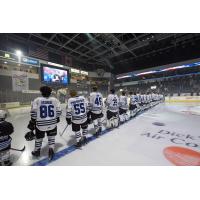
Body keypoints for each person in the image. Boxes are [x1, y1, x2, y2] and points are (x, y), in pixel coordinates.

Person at [27, 86, 62, 160]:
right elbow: (59, 112)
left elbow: (33, 114)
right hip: (52, 123)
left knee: (38, 138)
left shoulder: (37, 100)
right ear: (50, 92)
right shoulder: (55, 100)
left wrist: (32, 122)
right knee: (51, 137)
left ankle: (37, 151)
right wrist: (56, 118)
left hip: (40, 124)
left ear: (41, 92)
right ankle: (51, 149)